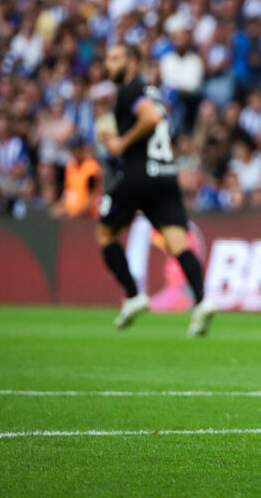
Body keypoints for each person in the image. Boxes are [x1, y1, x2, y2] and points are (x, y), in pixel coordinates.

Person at [95, 43, 216, 337]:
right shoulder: (152, 91)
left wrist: (121, 143)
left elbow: (150, 118)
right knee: (178, 243)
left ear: (133, 62)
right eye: (107, 59)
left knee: (106, 233)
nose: (108, 65)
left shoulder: (130, 89)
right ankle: (201, 301)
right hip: (165, 174)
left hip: (138, 174)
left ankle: (133, 294)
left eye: (115, 58)